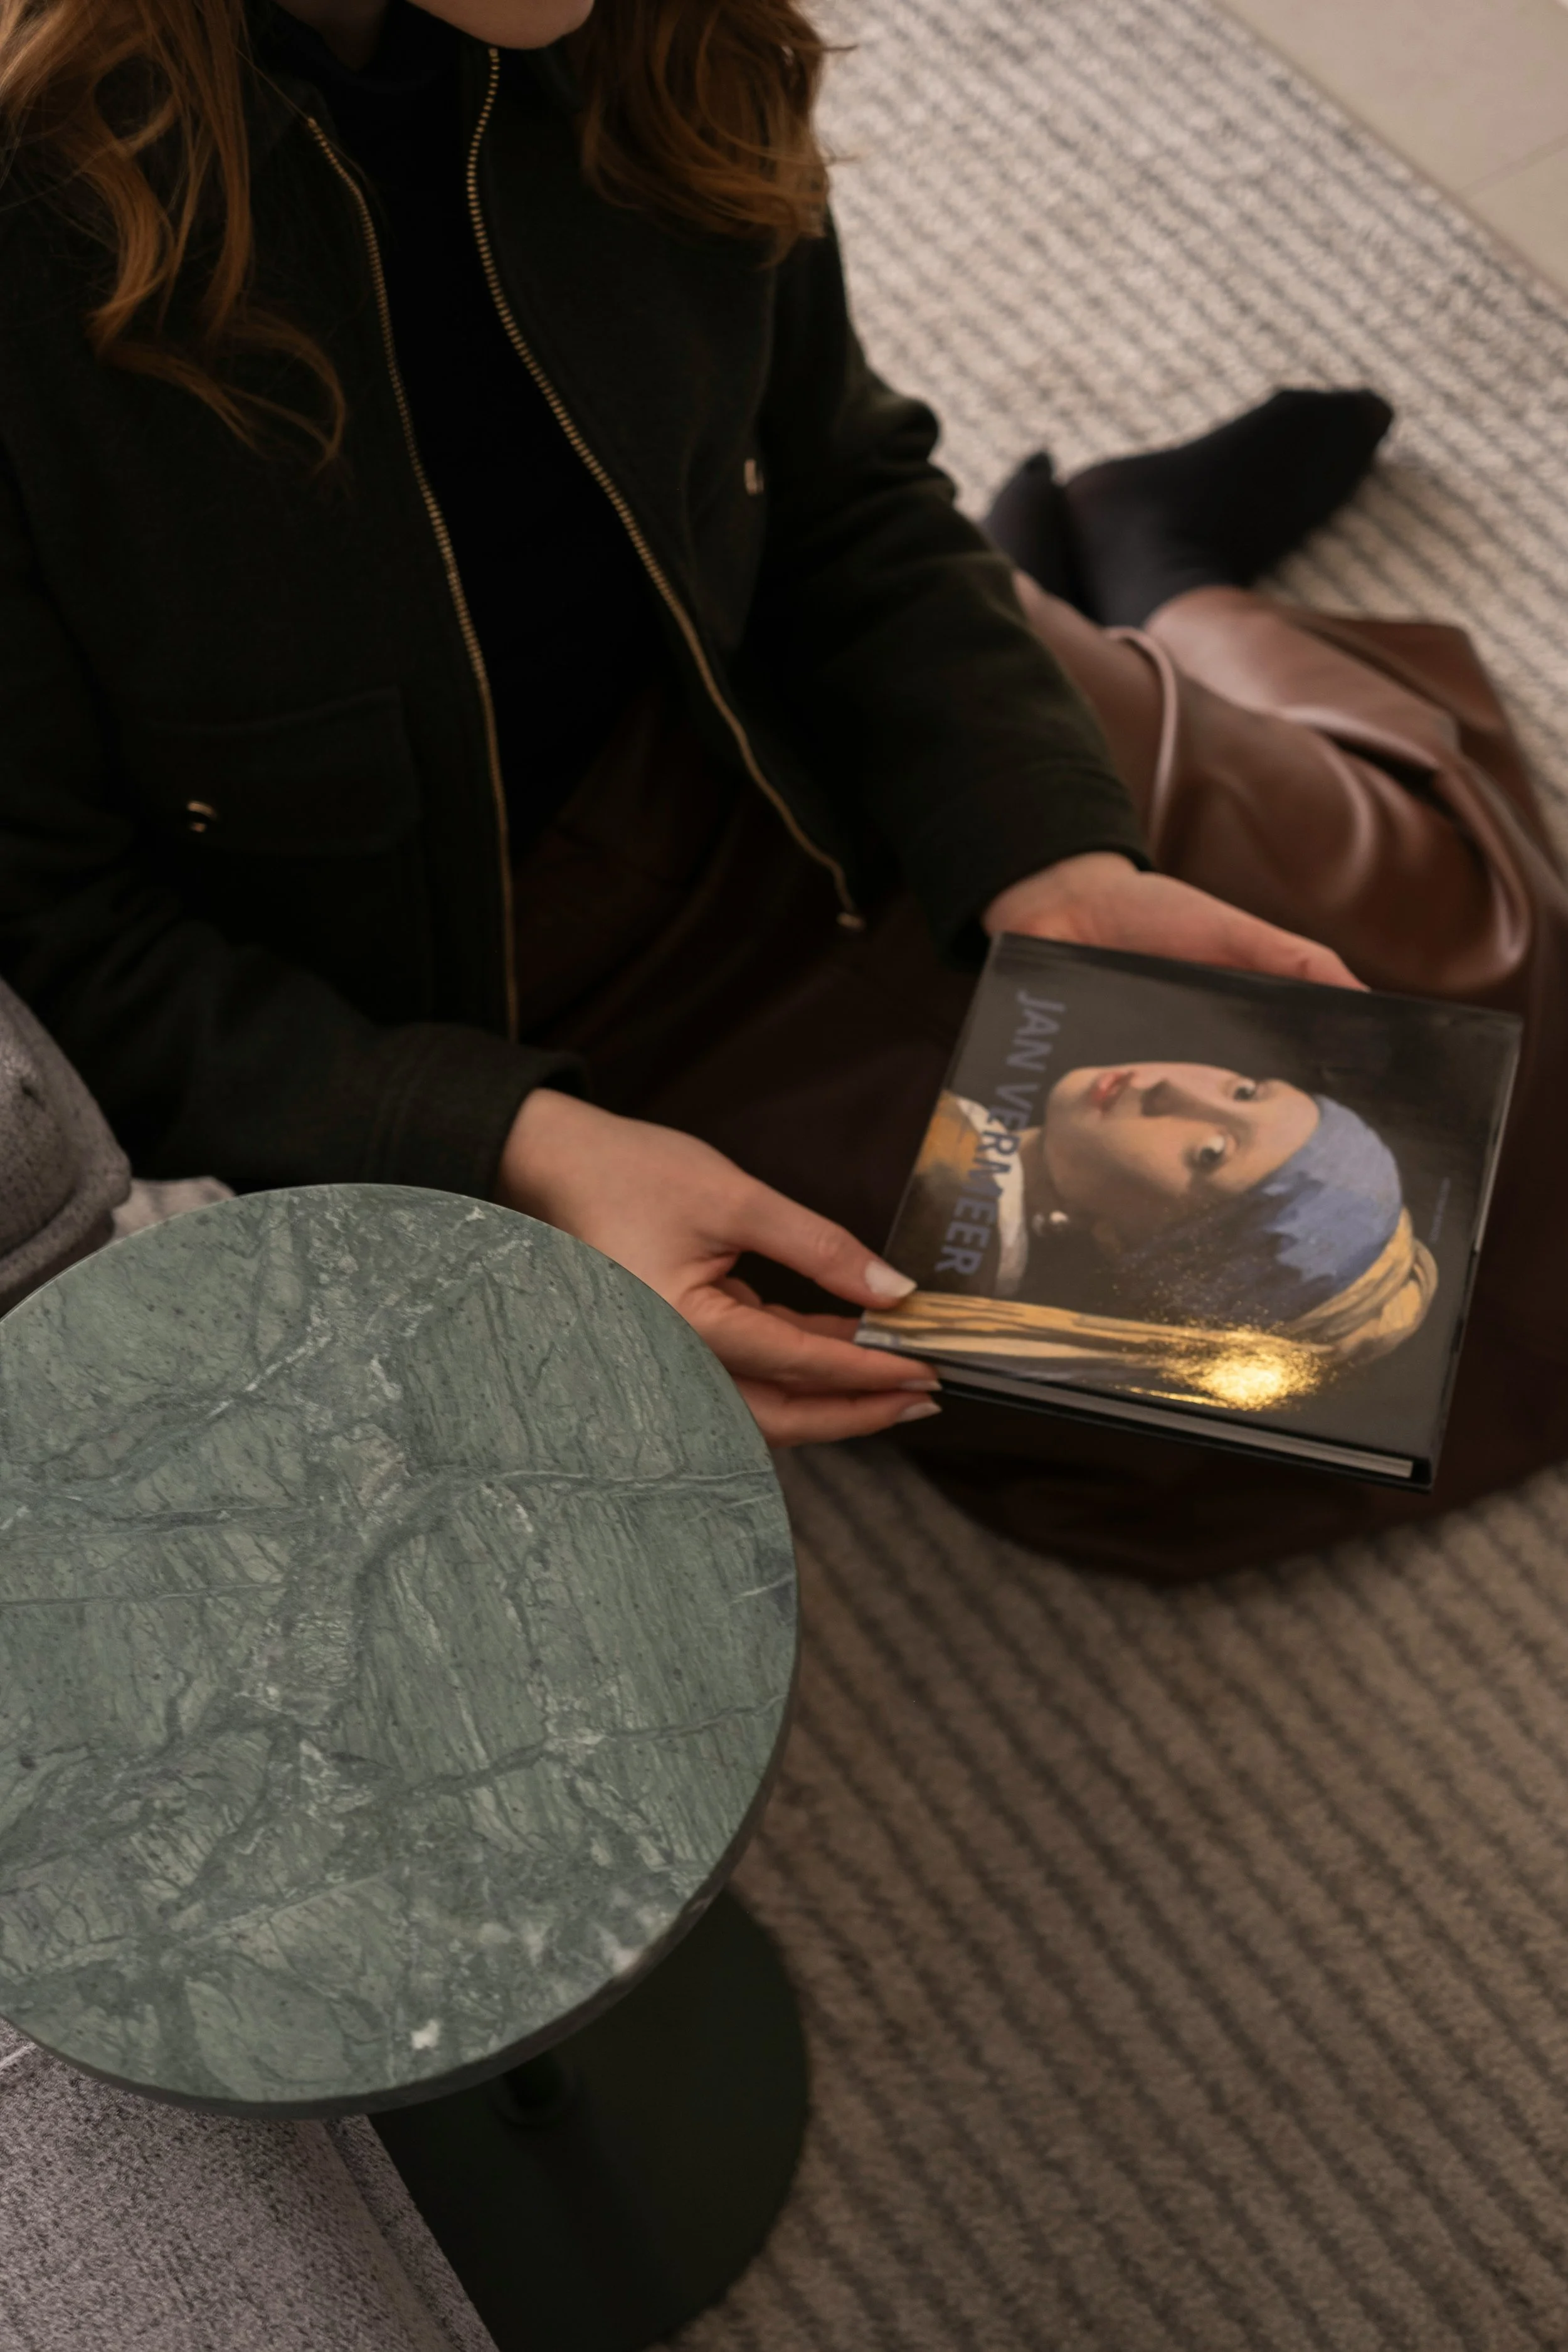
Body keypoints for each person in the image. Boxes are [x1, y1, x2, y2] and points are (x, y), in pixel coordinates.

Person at [0, 0, 1562, 1577]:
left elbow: (842, 488)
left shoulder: (664, 31)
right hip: (520, 984)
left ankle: (1157, 565)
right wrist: (512, 1142)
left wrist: (1041, 845)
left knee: (1505, 1022)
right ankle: (1147, 587)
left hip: (812, 703)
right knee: (1229, 1425)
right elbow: (58, 950)